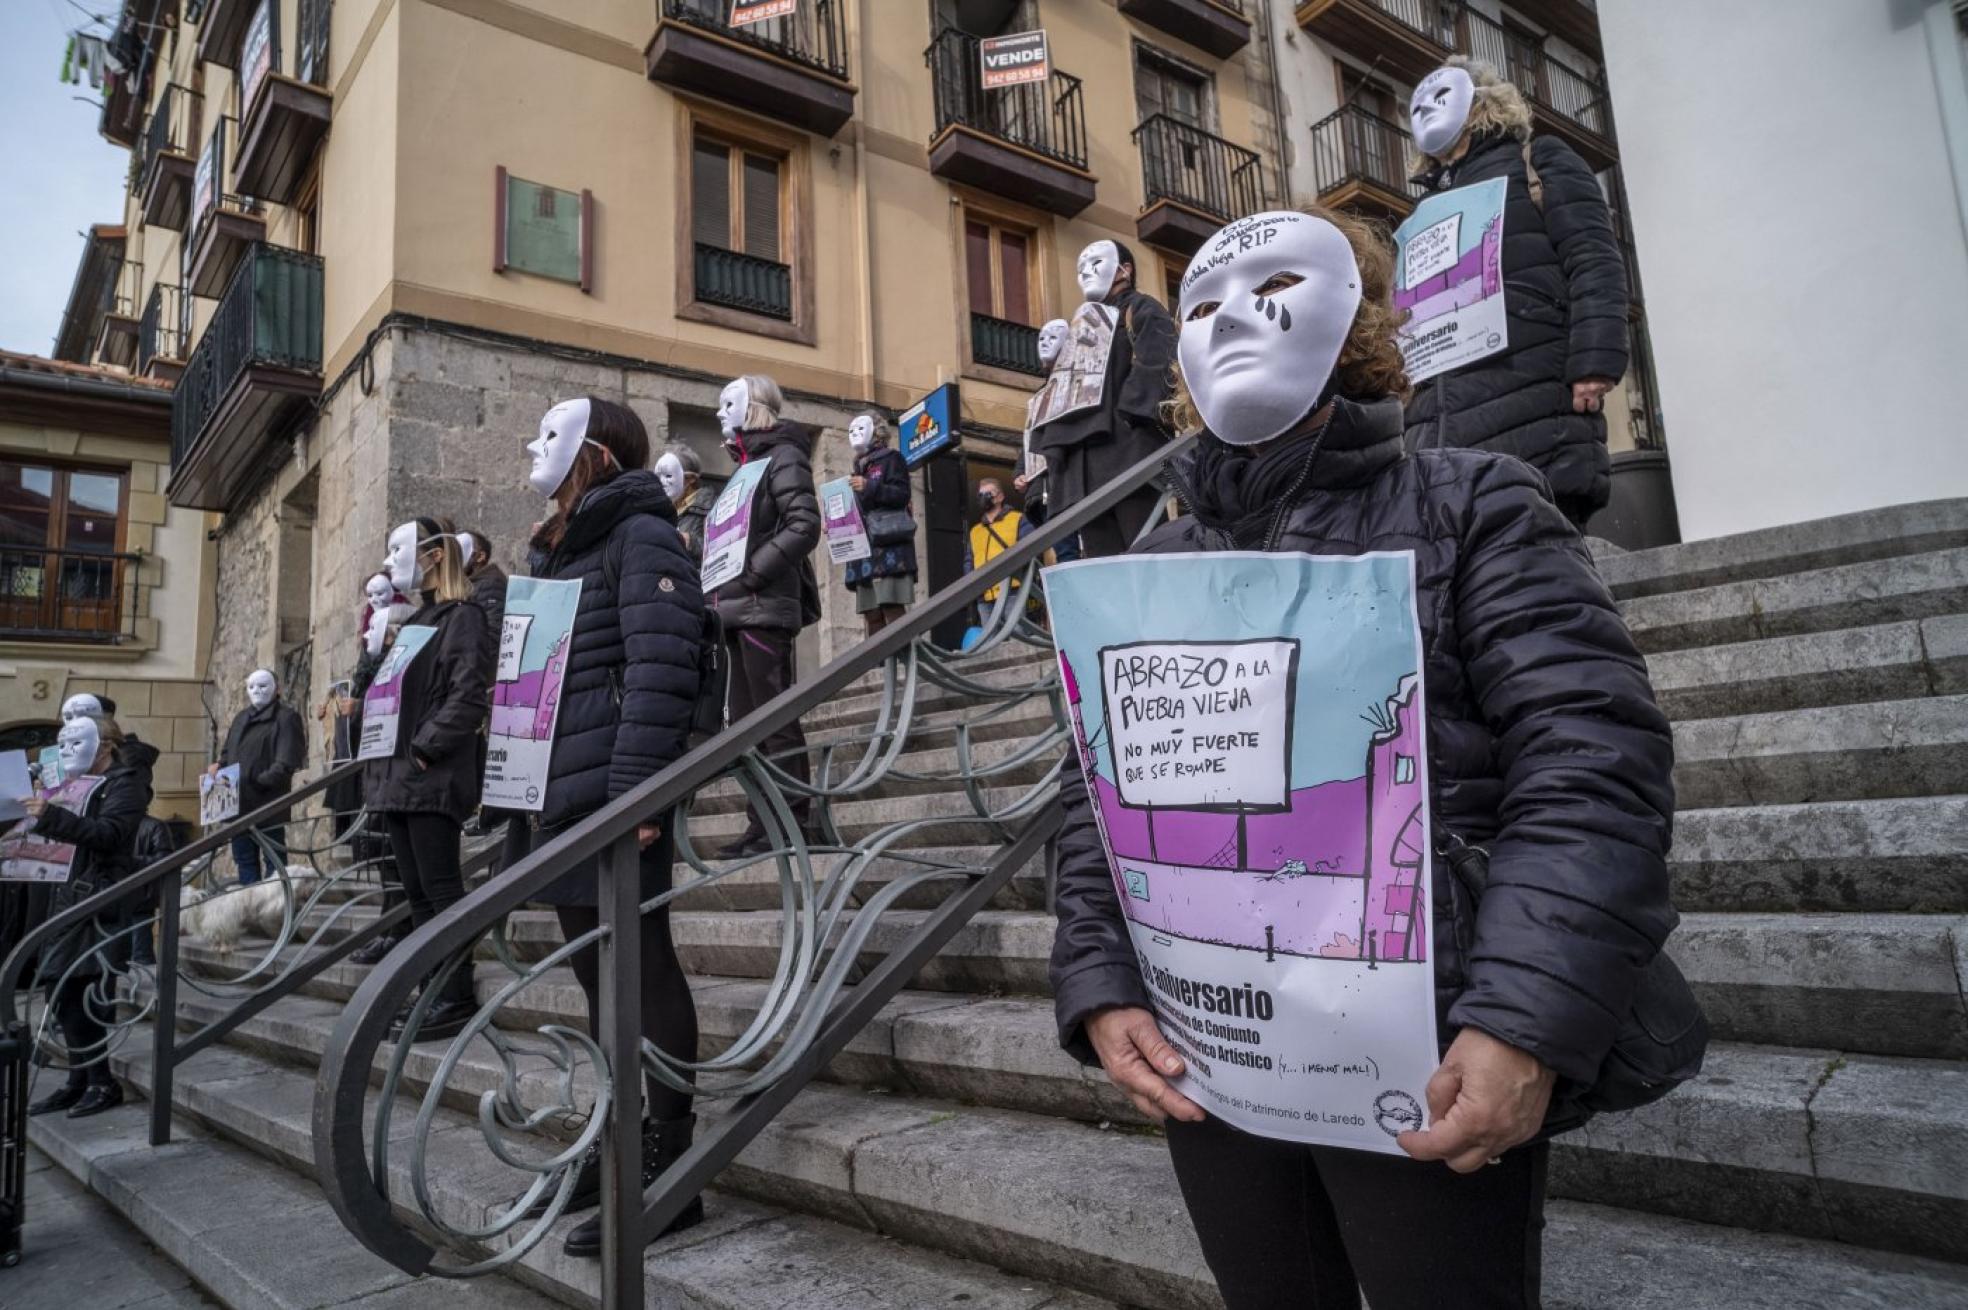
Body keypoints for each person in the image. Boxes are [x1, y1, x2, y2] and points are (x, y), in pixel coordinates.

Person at [1048, 207, 1677, 1309]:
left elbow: (1588, 760)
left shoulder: (1472, 505)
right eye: (1199, 302)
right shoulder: (1152, 565)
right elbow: (1099, 793)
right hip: (1217, 1056)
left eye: (1275, 283)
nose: (1233, 314)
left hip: (1423, 1040)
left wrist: (1520, 1017)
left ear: (1359, 322)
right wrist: (1101, 981)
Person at [519, 395, 707, 1256]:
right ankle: (617, 1137)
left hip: (614, 793)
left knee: (644, 966)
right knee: (600, 982)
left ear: (594, 453)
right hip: (559, 792)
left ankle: (672, 1166)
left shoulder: (643, 533)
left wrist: (638, 794)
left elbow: (664, 661)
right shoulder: (555, 550)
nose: (532, 445)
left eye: (550, 433)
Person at [1403, 58, 1630, 529]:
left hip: (1533, 398)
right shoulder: (1424, 209)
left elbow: (1593, 257)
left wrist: (1593, 363)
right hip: (1445, 424)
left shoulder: (1539, 161)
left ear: (1480, 101)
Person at [351, 519, 491, 1041]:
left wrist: (427, 748)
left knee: (439, 888)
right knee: (416, 892)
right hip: (398, 776)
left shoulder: (464, 617)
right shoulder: (417, 622)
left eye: (397, 550)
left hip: (428, 774)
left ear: (434, 557)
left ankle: (455, 994)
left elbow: (467, 691)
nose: (389, 562)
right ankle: (435, 987)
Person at [709, 374, 821, 859]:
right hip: (735, 609)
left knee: (774, 721)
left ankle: (795, 822)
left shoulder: (783, 457)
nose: (718, 412)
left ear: (752, 406)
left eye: (726, 403)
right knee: (747, 727)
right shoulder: (747, 467)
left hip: (762, 606)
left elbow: (804, 523)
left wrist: (754, 572)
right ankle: (761, 824)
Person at [23, 713, 156, 1120]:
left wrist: (50, 817)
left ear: (104, 747)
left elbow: (110, 834)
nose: (65, 753)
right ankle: (78, 1080)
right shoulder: (70, 783)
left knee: (87, 993)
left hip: (97, 899)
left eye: (74, 744)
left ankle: (101, 1082)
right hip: (65, 895)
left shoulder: (126, 784)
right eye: (60, 746)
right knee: (61, 992)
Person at [1029, 240, 1176, 558]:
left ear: (1125, 269)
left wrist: (1128, 413)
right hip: (1085, 473)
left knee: (1145, 550)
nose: (1085, 272)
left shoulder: (1143, 309)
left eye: (1095, 263)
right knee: (1101, 563)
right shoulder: (1077, 325)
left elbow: (1158, 361)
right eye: (1080, 267)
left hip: (1126, 455)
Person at [212, 669, 305, 885]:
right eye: (252, 686)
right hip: (238, 804)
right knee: (244, 861)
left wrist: (259, 780)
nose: (257, 691)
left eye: (263, 686)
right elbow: (228, 752)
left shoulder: (286, 718)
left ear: (276, 689)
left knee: (274, 860)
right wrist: (219, 766)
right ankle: (252, 910)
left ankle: (278, 911)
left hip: (267, 803)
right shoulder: (240, 718)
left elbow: (287, 760)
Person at [841, 414, 916, 635]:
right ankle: (879, 667)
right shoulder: (858, 465)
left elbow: (902, 495)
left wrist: (869, 486)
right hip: (864, 546)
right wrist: (838, 524)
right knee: (871, 612)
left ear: (876, 431)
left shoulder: (892, 459)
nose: (854, 434)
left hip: (887, 542)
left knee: (891, 606)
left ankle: (902, 664)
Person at [963, 478, 1028, 626]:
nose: (983, 498)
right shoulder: (975, 531)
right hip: (984, 594)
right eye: (980, 494)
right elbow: (969, 561)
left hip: (1012, 590)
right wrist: (972, 586)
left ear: (1000, 497)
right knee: (989, 643)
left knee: (1017, 637)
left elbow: (1029, 549)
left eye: (988, 493)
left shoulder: (1017, 519)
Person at [656, 445, 709, 564]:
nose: (661, 482)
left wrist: (690, 542)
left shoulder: (712, 510)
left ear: (690, 479)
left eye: (668, 476)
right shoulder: (659, 509)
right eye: (658, 476)